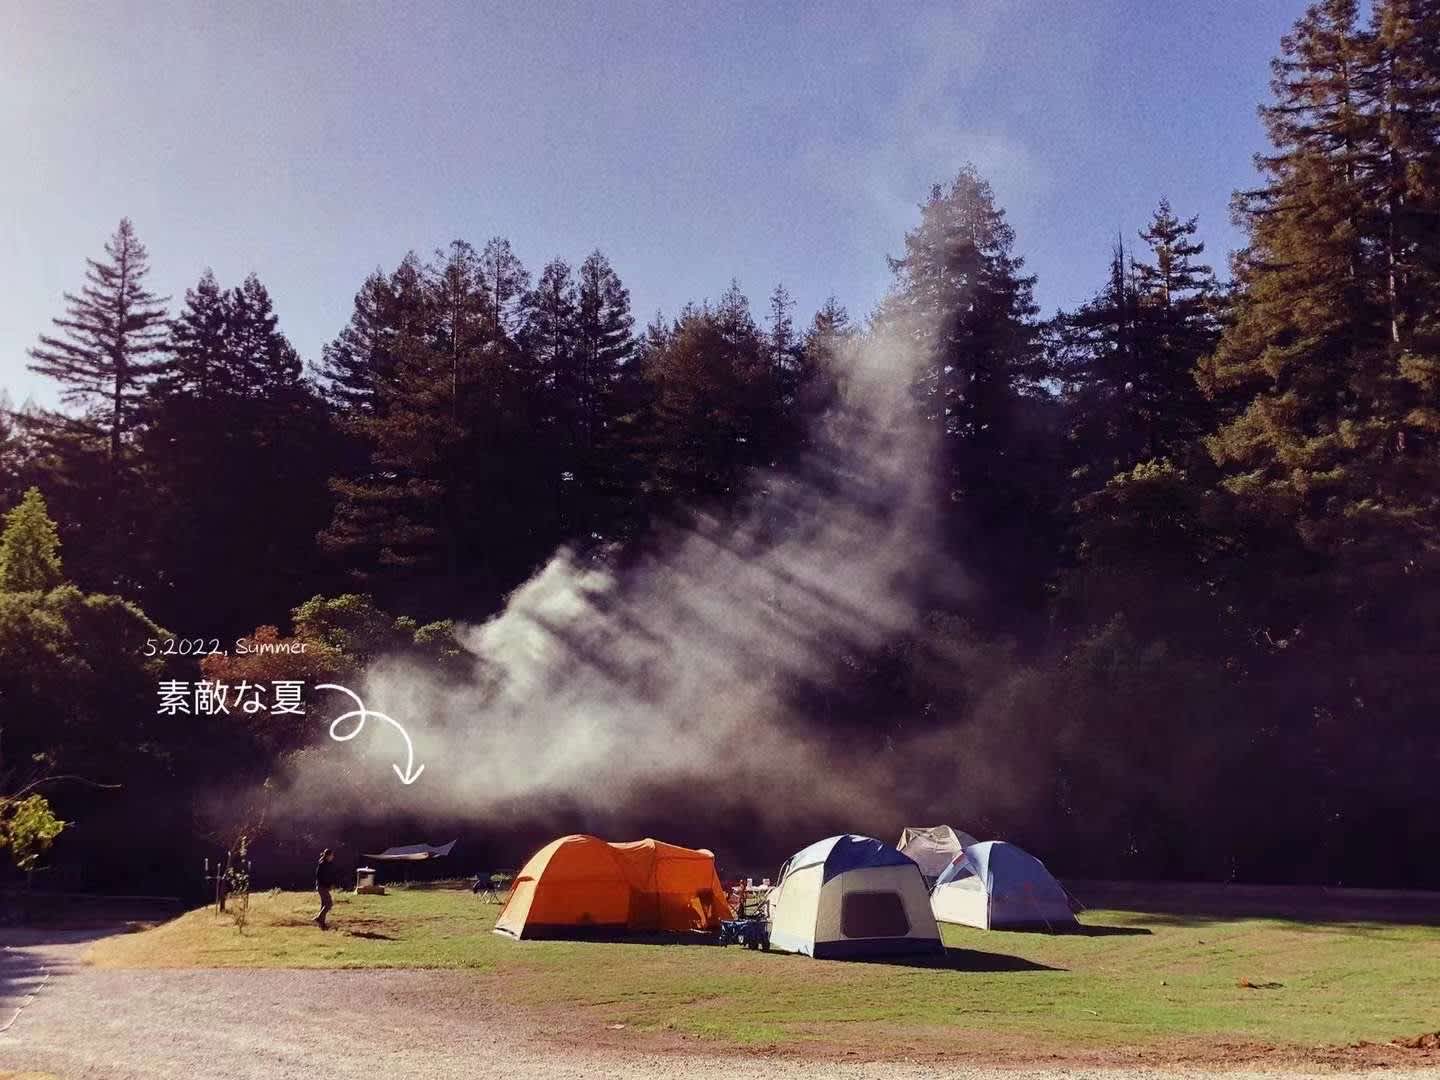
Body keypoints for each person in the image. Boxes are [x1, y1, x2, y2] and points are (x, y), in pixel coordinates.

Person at [314, 848, 337, 929]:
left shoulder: (326, 863)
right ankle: (319, 918)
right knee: (329, 904)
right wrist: (327, 884)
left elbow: (328, 876)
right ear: (328, 856)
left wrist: (330, 884)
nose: (333, 857)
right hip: (322, 886)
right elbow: (319, 876)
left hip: (323, 886)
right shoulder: (323, 864)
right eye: (332, 855)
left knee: (324, 904)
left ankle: (322, 924)